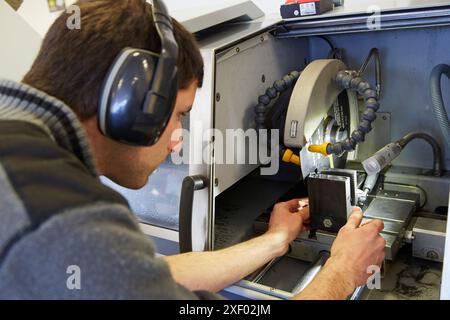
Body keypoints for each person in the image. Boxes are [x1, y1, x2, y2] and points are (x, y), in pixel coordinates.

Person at [0, 0, 386, 300]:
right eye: (179, 115)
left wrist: (274, 241)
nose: (179, 139)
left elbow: (147, 277)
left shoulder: (22, 154)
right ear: (130, 105)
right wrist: (344, 271)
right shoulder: (59, 214)